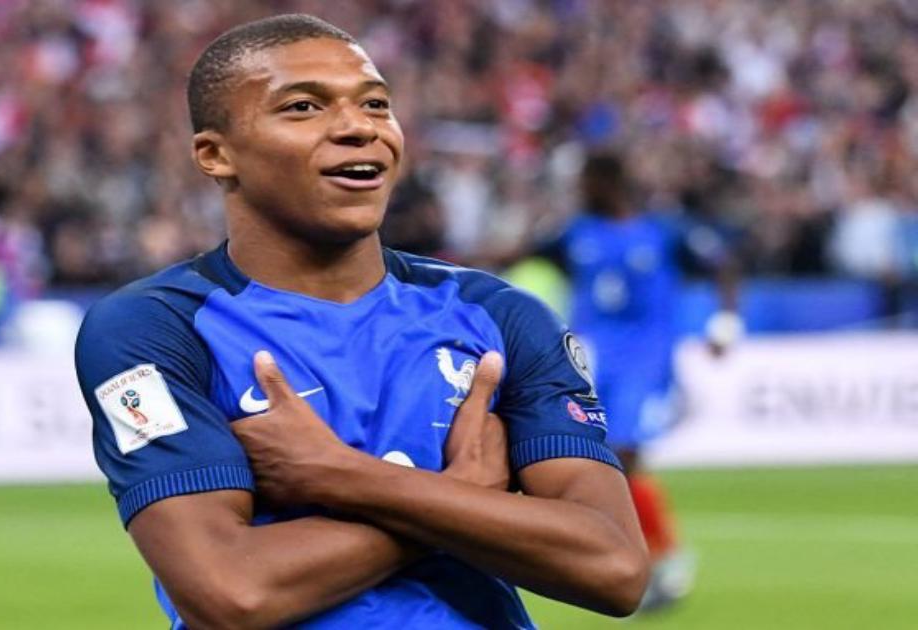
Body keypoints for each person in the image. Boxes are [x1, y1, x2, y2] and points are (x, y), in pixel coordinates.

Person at [74, 15, 648, 629]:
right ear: (216, 155)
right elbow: (230, 593)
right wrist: (460, 493)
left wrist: (342, 476)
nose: (358, 127)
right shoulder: (154, 328)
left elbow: (614, 568)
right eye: (302, 107)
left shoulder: (501, 316)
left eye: (375, 103)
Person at [531, 151, 741, 610]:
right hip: (589, 360)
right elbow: (519, 254)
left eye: (585, 182)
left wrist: (726, 321)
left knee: (625, 454)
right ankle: (641, 557)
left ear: (605, 182)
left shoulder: (664, 231)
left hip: (646, 360)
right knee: (601, 459)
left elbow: (723, 264)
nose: (579, 191)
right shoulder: (575, 233)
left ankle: (661, 558)